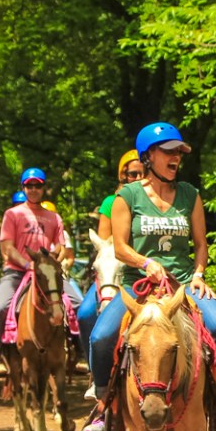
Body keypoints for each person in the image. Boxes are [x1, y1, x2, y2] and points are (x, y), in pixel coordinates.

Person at [81, 123, 216, 431]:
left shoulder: (190, 195)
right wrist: (145, 263)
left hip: (183, 284)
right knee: (100, 337)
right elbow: (121, 246)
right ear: (149, 156)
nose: (176, 157)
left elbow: (200, 245)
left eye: (179, 152)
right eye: (168, 151)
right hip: (137, 285)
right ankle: (103, 408)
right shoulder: (126, 196)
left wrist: (198, 275)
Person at [0, 168, 67, 378]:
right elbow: (8, 248)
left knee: (75, 304)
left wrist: (51, 260)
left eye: (37, 185)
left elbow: (61, 246)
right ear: (23, 187)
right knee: (1, 306)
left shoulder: (53, 217)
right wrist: (27, 265)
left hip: (46, 273)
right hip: (16, 271)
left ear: (43, 188)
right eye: (29, 185)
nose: (33, 189)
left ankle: (77, 353)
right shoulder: (12, 214)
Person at [76, 148, 144, 386]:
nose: (137, 178)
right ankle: (95, 369)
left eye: (141, 173)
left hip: (143, 271)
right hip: (114, 270)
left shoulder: (156, 200)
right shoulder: (110, 203)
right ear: (123, 176)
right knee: (84, 314)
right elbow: (106, 243)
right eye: (132, 174)